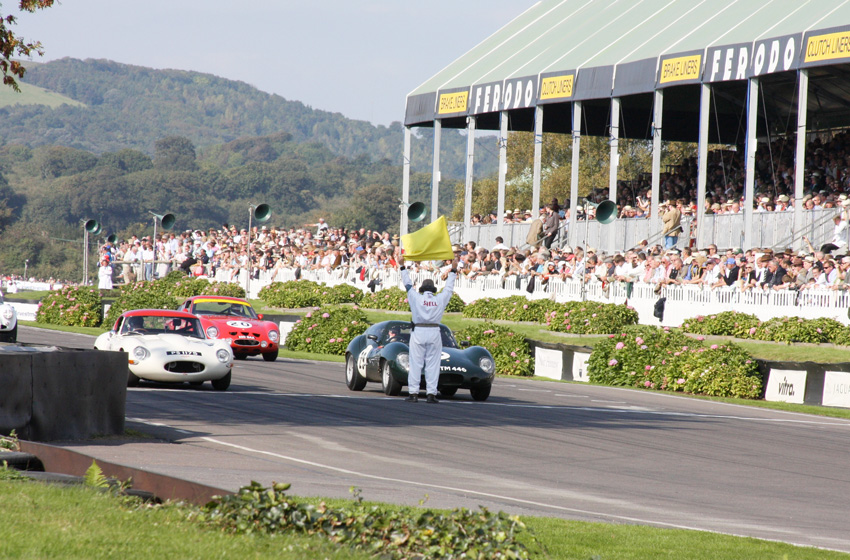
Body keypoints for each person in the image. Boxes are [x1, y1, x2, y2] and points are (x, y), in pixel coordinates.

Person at [399, 254, 457, 403]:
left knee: (415, 363)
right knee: (433, 364)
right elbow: (449, 288)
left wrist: (402, 266)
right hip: (434, 331)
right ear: (433, 289)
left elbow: (407, 284)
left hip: (418, 331)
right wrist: (453, 270)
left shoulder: (416, 297)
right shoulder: (440, 299)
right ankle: (431, 394)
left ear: (422, 289)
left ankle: (413, 393)